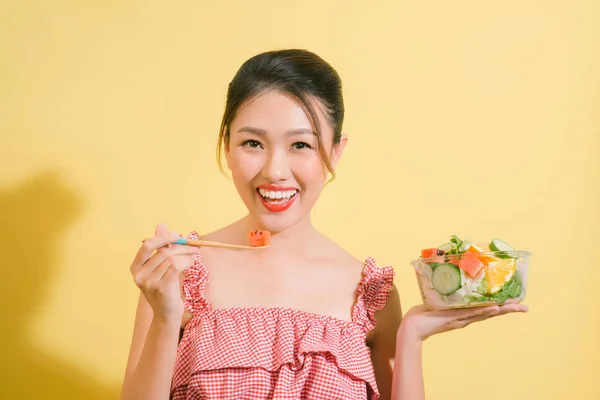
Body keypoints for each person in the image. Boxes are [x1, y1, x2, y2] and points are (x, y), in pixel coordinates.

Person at [119, 49, 528, 400]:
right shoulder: (178, 273)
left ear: (336, 149)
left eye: (301, 144)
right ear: (227, 144)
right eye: (252, 143)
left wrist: (412, 336)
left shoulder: (370, 293)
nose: (275, 171)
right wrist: (167, 317)